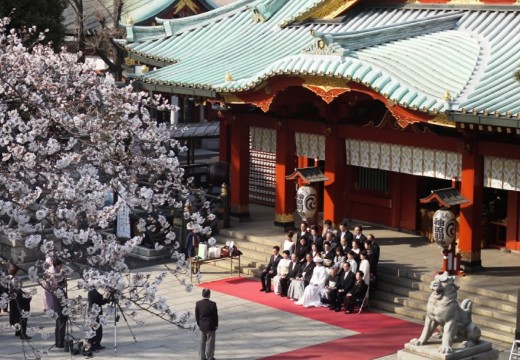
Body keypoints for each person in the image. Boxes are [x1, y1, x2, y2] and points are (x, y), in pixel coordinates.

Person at [195, 289, 218, 360]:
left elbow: (197, 315)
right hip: (210, 326)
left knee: (202, 342)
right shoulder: (213, 304)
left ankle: (202, 357)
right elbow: (215, 316)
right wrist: (216, 325)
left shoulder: (198, 303)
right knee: (210, 343)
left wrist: (199, 324)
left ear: (202, 294)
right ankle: (210, 357)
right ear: (209, 295)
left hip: (202, 326)